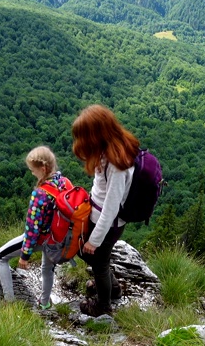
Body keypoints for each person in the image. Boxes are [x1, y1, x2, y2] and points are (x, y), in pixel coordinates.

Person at [71, 104, 140, 317]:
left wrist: (96, 239)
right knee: (95, 257)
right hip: (99, 217)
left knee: (98, 261)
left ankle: (103, 307)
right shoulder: (108, 152)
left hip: (107, 223)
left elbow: (111, 207)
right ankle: (115, 289)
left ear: (96, 135)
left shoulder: (117, 164)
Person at [0, 145, 71, 310]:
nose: (32, 173)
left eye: (33, 169)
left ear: (43, 169)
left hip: (41, 239)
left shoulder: (40, 194)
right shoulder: (63, 182)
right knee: (47, 268)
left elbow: (32, 229)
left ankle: (9, 302)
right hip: (57, 238)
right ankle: (44, 303)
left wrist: (24, 255)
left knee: (0, 256)